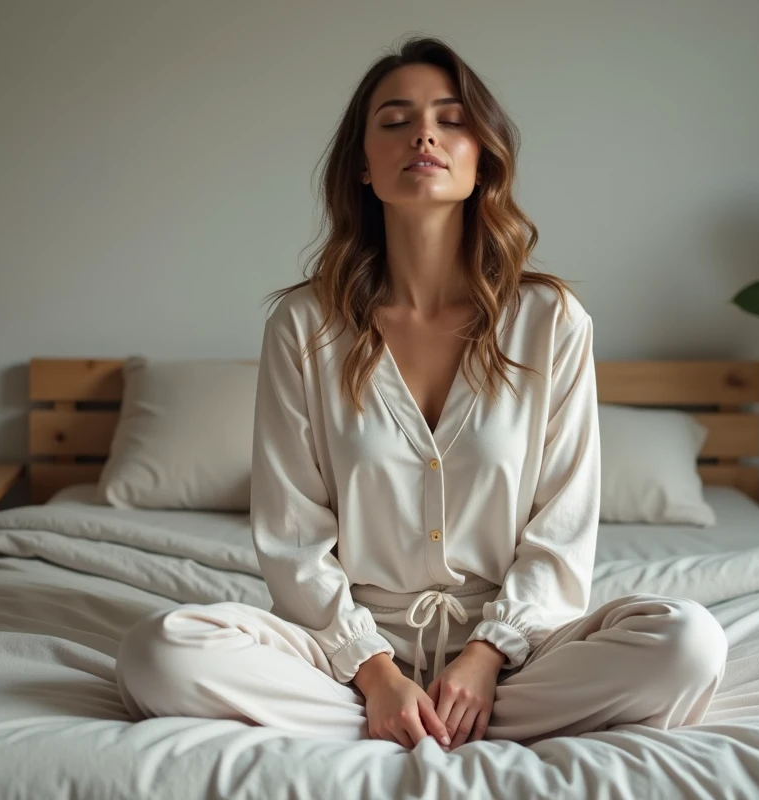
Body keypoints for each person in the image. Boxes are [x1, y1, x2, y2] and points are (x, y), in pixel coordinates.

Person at [115, 36, 727, 751]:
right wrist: (374, 672)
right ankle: (406, 715)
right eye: (396, 119)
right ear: (365, 168)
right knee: (159, 653)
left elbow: (560, 534)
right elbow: (292, 538)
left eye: (451, 118)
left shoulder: (550, 322)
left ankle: (426, 719)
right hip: (345, 651)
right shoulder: (305, 326)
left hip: (518, 651)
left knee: (689, 644)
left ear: (482, 157)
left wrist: (486, 656)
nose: (425, 134)